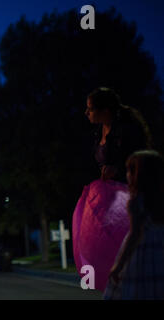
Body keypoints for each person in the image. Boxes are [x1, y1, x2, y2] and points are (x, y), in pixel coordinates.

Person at [73, 87, 152, 291]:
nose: (86, 113)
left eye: (90, 109)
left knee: (130, 239)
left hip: (126, 194)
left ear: (105, 110)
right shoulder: (97, 132)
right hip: (107, 196)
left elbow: (139, 161)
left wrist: (116, 169)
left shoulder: (127, 130)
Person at [104, 150, 164, 299]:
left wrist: (118, 266)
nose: (127, 175)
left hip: (143, 252)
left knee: (138, 290)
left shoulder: (137, 202)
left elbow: (135, 234)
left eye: (131, 170)